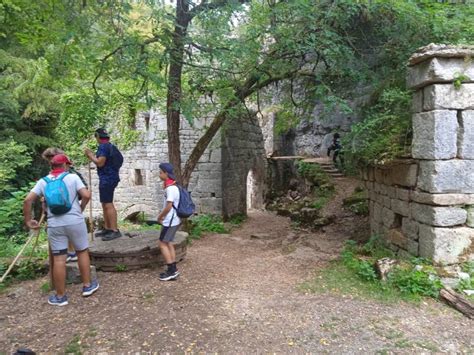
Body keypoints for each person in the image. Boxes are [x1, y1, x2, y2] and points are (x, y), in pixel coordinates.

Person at [23, 154, 99, 306]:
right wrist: (81, 207)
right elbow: (87, 195)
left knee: (59, 259)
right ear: (64, 165)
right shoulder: (72, 178)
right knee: (82, 251)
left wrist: (28, 220)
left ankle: (60, 296)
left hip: (54, 224)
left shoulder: (43, 182)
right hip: (75, 221)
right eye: (68, 165)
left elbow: (27, 200)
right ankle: (87, 286)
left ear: (51, 166)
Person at [41, 147, 87, 263]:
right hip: (56, 208)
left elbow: (84, 191)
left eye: (52, 159)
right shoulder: (51, 174)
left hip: (70, 206)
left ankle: (71, 252)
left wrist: (79, 206)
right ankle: (68, 252)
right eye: (49, 160)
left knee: (67, 228)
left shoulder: (71, 173)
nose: (51, 163)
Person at [84, 128, 122, 241]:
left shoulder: (103, 147)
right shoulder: (110, 146)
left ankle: (114, 230)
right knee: (105, 203)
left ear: (97, 137)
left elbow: (100, 163)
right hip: (110, 178)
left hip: (107, 179)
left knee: (108, 203)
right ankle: (108, 228)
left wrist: (90, 155)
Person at [157, 163, 181, 281]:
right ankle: (174, 269)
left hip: (169, 220)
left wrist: (160, 217)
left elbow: (169, 206)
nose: (159, 174)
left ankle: (171, 270)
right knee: (168, 242)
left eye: (161, 172)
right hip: (174, 220)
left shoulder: (171, 189)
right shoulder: (172, 186)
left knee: (162, 244)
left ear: (166, 173)